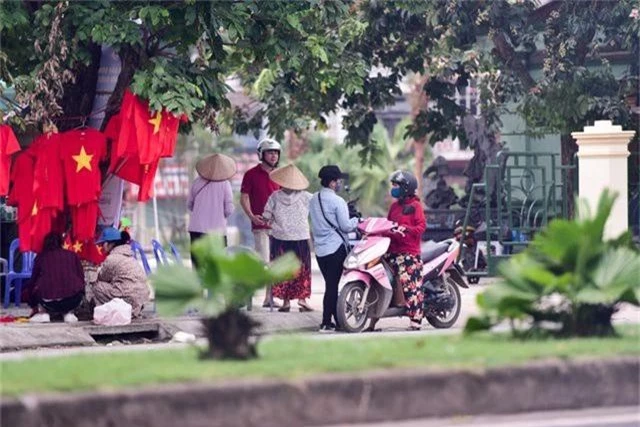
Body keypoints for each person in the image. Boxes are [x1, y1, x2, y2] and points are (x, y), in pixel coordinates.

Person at [367, 170, 426, 332]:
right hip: (391, 250)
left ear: (406, 187)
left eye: (396, 185)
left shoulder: (415, 206)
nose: (393, 188)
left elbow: (421, 227)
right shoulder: (394, 206)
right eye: (392, 185)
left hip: (408, 253)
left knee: (410, 285)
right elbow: (388, 224)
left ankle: (415, 319)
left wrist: (405, 229)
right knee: (377, 279)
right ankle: (372, 321)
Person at [309, 165, 359, 332]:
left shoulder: (314, 199)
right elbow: (345, 226)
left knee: (330, 285)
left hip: (320, 251)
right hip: (336, 248)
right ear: (331, 183)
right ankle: (326, 322)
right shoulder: (338, 201)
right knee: (332, 286)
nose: (339, 183)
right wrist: (357, 220)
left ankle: (336, 321)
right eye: (337, 181)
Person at [261, 164, 313, 313]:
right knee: (302, 269)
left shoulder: (274, 197)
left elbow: (266, 217)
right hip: (300, 237)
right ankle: (302, 300)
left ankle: (285, 302)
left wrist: (267, 221)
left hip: (280, 238)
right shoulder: (306, 197)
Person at [240, 138, 281, 308]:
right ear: (261, 154)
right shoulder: (251, 174)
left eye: (276, 153)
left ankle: (268, 297)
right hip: (260, 226)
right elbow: (244, 197)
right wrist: (251, 216)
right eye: (270, 152)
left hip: (278, 227)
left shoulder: (280, 175)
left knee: (275, 263)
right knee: (263, 262)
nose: (274, 156)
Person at [187, 153, 236, 268]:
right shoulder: (225, 184)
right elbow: (228, 210)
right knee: (218, 266)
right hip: (217, 233)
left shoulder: (197, 182)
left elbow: (189, 205)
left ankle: (198, 285)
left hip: (197, 230)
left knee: (198, 264)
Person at [89, 227, 150, 318]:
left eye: (103, 244)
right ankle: (133, 311)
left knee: (96, 285)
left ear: (110, 244)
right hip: (141, 299)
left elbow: (101, 278)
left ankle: (110, 313)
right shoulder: (129, 256)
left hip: (128, 298)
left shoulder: (112, 258)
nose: (101, 247)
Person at [28, 232, 85, 323]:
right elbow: (81, 278)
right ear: (61, 243)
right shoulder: (72, 255)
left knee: (36, 287)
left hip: (47, 302)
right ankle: (69, 313)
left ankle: (43, 313)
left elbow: (32, 282)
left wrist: (32, 303)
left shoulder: (41, 257)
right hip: (74, 300)